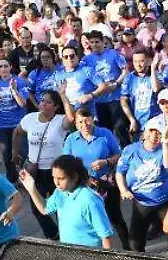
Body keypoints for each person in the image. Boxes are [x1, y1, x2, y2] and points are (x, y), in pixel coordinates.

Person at [63, 105, 130, 250]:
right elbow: (66, 162)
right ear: (75, 124)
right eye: (80, 122)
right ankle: (96, 249)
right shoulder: (71, 139)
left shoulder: (104, 134)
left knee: (115, 217)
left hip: (106, 183)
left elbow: (118, 155)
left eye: (87, 121)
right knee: (91, 218)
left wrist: (105, 161)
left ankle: (129, 248)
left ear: (93, 120)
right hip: (83, 186)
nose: (84, 125)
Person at [19, 154, 114, 250]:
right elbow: (45, 209)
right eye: (54, 178)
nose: (56, 183)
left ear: (75, 177)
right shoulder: (60, 193)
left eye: (61, 178)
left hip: (89, 257)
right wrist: (31, 188)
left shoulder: (90, 200)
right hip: (69, 253)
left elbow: (105, 236)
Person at [15, 90, 71, 240]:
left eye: (48, 102)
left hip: (55, 172)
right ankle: (52, 234)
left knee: (61, 206)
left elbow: (71, 118)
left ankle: (67, 235)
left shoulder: (60, 120)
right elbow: (17, 132)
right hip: (35, 171)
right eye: (42, 101)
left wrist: (64, 96)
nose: (43, 104)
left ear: (56, 106)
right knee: (36, 207)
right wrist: (15, 154)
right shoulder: (30, 118)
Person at [116, 121, 168, 253]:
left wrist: (165, 142)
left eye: (159, 132)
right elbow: (120, 172)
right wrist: (123, 190)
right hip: (141, 201)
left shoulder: (165, 148)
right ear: (144, 132)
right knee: (135, 243)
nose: (154, 135)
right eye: (151, 131)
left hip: (165, 200)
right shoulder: (131, 150)